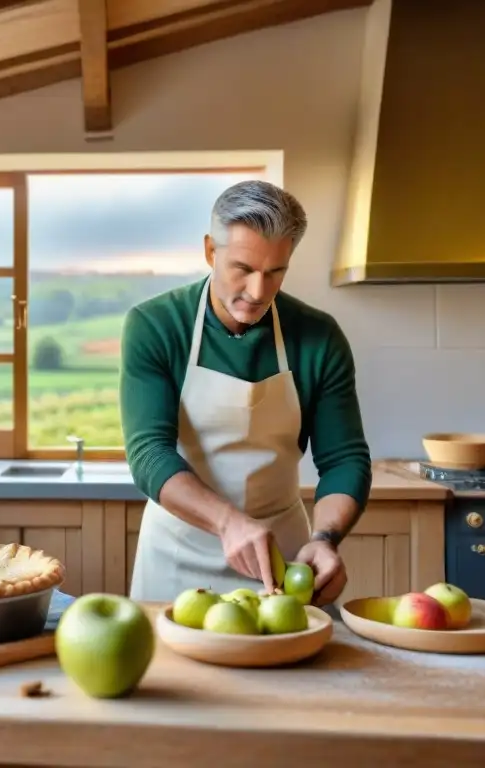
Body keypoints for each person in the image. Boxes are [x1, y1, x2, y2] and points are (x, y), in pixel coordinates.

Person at [121, 179, 372, 607]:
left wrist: (326, 538)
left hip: (282, 559)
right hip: (177, 557)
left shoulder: (318, 336)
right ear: (209, 252)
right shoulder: (155, 325)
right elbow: (149, 453)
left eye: (275, 272)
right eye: (243, 269)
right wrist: (227, 522)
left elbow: (344, 459)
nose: (258, 292)